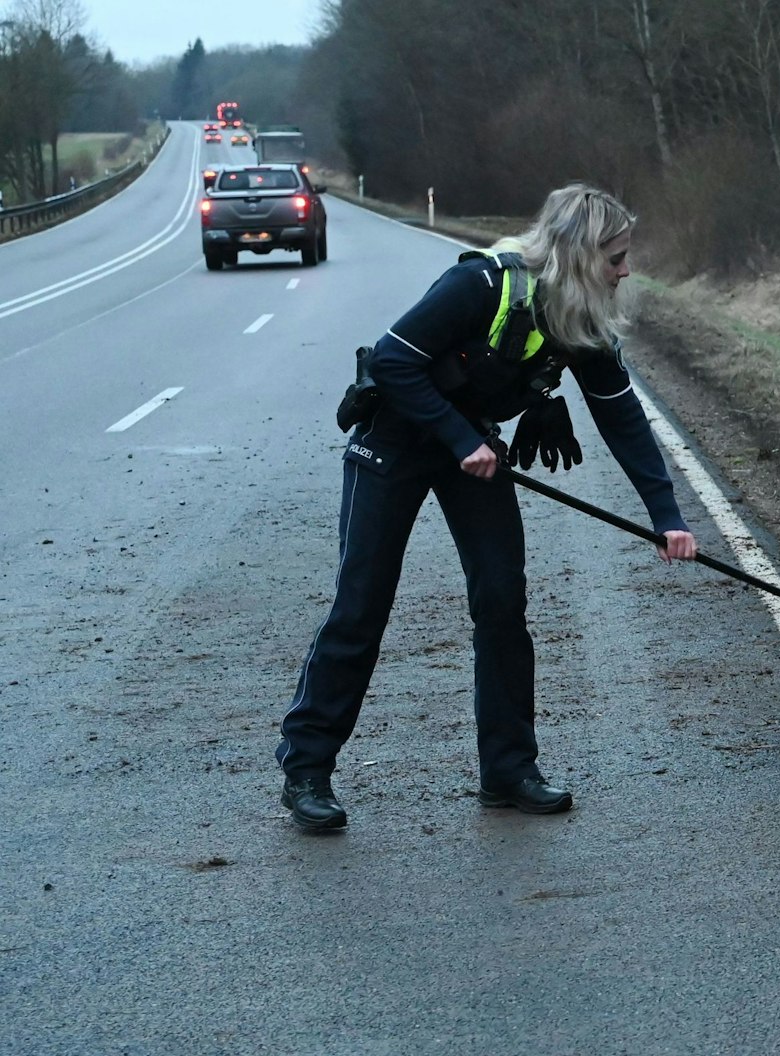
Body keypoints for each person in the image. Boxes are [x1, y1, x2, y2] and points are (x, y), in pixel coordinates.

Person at [274, 184, 697, 832]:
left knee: (502, 599)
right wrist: (460, 438)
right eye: (615, 257)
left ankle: (508, 769)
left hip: (471, 443)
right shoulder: (483, 284)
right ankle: (307, 768)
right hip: (395, 438)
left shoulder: (579, 317)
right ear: (580, 255)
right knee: (362, 604)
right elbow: (392, 360)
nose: (625, 271)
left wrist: (666, 516)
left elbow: (622, 416)